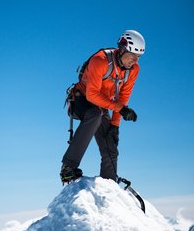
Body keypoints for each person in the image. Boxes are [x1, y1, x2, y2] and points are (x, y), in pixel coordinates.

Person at [60, 30, 145, 184]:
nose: (135, 60)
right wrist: (120, 109)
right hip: (82, 99)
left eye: (138, 57)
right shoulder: (100, 60)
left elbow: (123, 97)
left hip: (102, 105)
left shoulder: (133, 70)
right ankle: (68, 167)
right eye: (132, 55)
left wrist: (115, 125)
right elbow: (92, 95)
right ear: (122, 49)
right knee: (95, 114)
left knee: (110, 145)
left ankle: (109, 185)